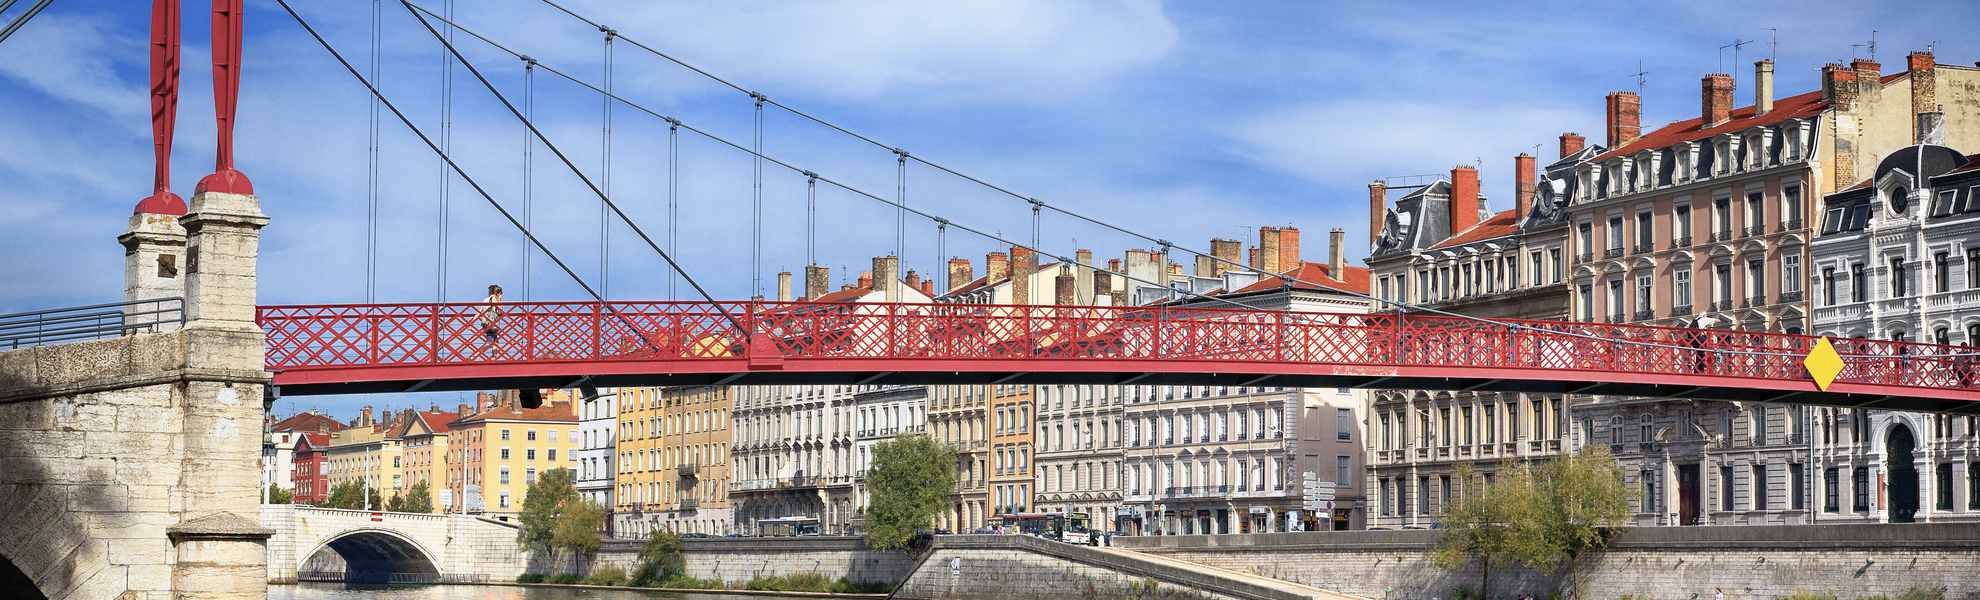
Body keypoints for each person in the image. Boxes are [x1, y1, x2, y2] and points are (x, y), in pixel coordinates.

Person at [478, 284, 504, 359]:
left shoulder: (485, 300)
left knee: (495, 342)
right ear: (497, 293)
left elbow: (479, 312)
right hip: (492, 323)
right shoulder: (494, 298)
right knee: (489, 343)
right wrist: (500, 300)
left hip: (486, 323)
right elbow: (501, 310)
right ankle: (474, 356)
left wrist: (471, 323)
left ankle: (494, 358)